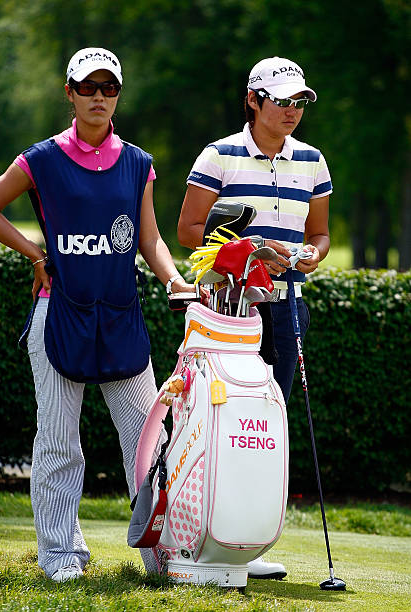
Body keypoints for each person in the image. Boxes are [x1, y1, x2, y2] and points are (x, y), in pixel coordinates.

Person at [0, 47, 194, 583]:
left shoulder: (139, 163)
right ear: (68, 92)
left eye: (108, 88)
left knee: (149, 437)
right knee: (57, 440)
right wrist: (34, 254)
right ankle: (60, 555)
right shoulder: (40, 159)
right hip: (59, 316)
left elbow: (151, 238)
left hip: (120, 316)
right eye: (87, 87)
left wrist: (175, 279)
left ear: (118, 94)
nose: (98, 97)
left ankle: (161, 554)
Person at [177, 56, 332, 579]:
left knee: (265, 425)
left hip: (286, 305)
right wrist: (251, 249)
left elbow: (320, 234)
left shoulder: (312, 160)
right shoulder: (219, 155)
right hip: (228, 309)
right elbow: (189, 229)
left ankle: (249, 546)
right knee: (218, 422)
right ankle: (201, 531)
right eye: (282, 101)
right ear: (253, 100)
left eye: (299, 102)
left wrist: (313, 254)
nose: (292, 111)